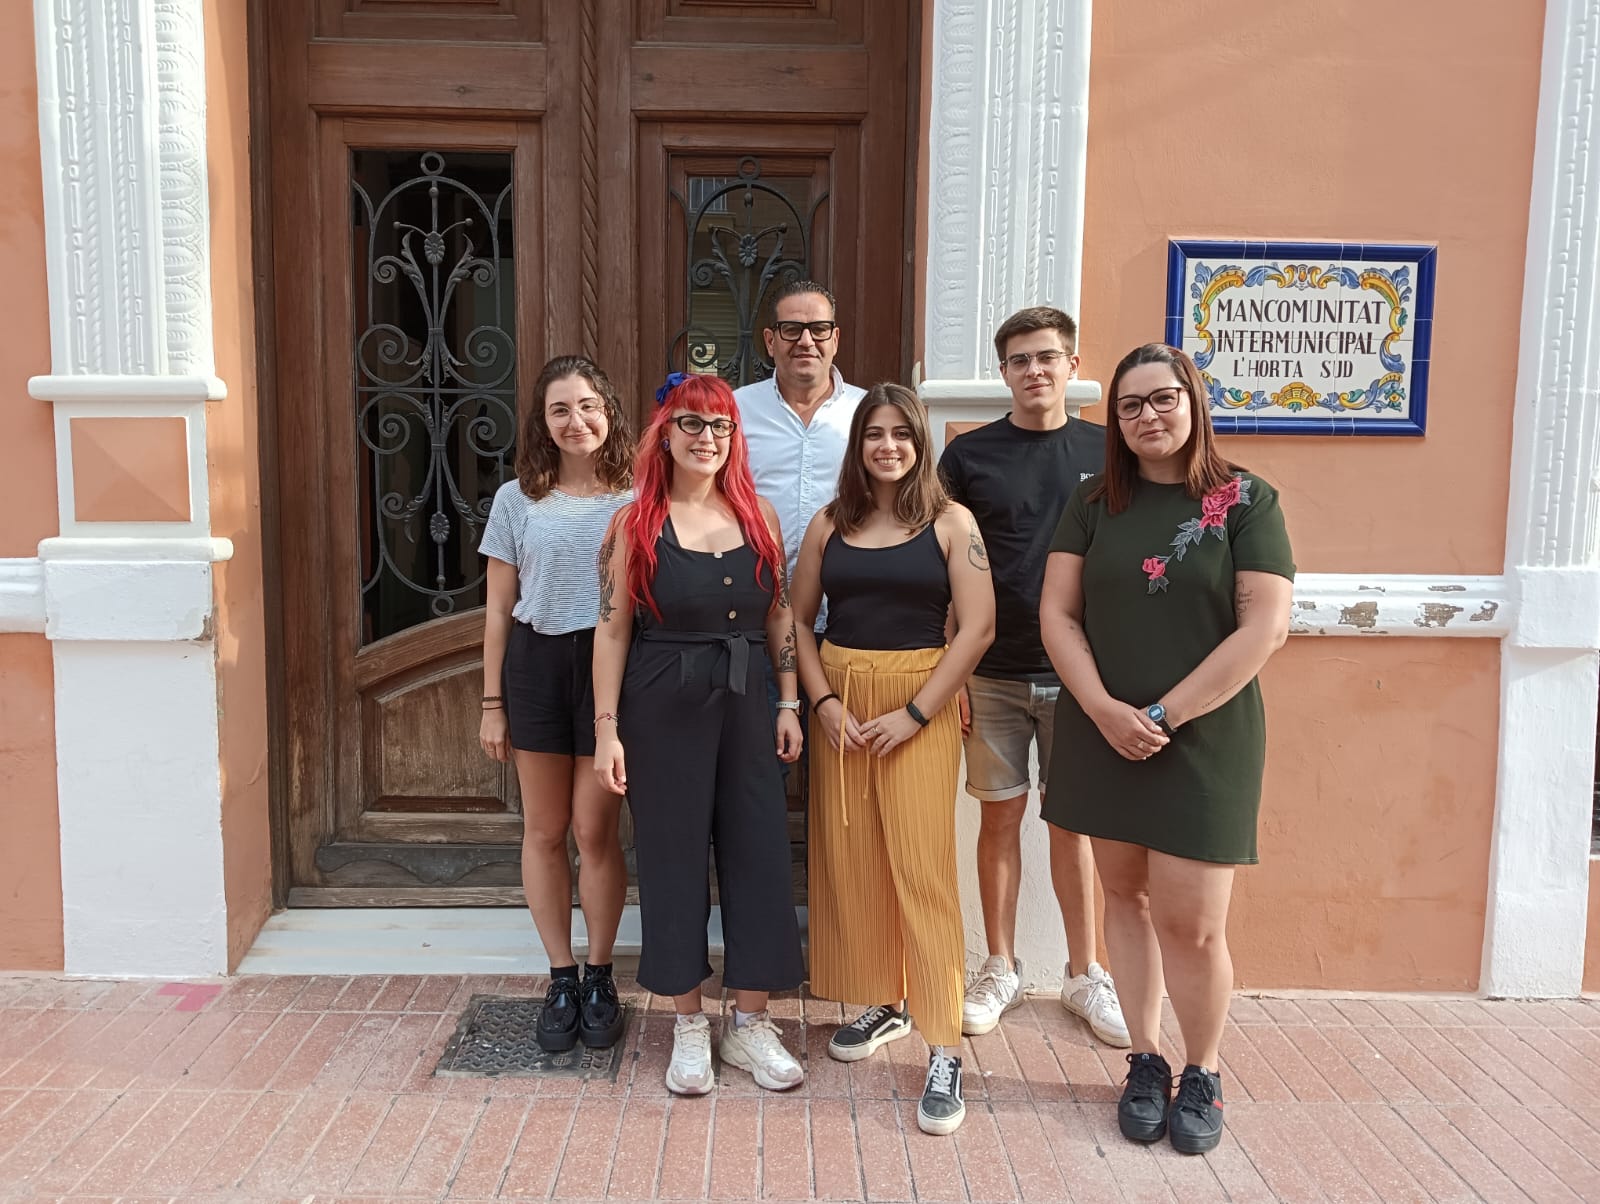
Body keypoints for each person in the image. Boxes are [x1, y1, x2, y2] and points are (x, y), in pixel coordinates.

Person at [1039, 343, 1294, 1155]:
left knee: (1194, 923)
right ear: (1114, 419)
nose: (1147, 415)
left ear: (1193, 403)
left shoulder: (1246, 500)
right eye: (1130, 404)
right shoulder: (1092, 503)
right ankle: (1145, 1061)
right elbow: (1058, 614)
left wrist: (1162, 715)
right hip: (1103, 731)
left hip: (1204, 736)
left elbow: (1265, 627)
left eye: (1162, 399)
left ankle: (1202, 1070)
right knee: (1126, 898)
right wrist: (1104, 711)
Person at [592, 372, 806, 1097]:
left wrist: (788, 702)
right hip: (660, 705)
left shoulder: (759, 515)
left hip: (748, 702)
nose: (706, 438)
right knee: (672, 856)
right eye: (691, 423)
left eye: (720, 426)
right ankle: (688, 1022)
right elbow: (612, 630)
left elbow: (779, 615)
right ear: (666, 433)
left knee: (759, 853)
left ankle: (749, 1022)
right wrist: (607, 731)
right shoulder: (634, 524)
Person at [791, 383, 996, 1136]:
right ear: (858, 446)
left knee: (921, 866)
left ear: (919, 442)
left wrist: (916, 714)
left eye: (901, 433)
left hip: (919, 702)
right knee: (856, 858)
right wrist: (822, 702)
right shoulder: (829, 524)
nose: (887, 446)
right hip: (842, 704)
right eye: (874, 434)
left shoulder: (951, 522)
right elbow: (798, 620)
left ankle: (944, 1044)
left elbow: (977, 628)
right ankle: (889, 1001)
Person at [937, 306, 1129, 1046]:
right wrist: (951, 671)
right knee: (999, 819)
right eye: (1020, 360)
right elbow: (942, 564)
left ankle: (1086, 973)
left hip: (1080, 676)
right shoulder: (968, 456)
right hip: (990, 674)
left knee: (1072, 826)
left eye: (1047, 357)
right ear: (1004, 371)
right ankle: (1001, 966)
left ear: (1072, 366)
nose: (1035, 371)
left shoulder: (1108, 449)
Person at [478, 355, 635, 1053]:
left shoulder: (639, 495)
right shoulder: (517, 500)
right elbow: (497, 607)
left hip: (613, 670)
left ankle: (600, 973)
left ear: (609, 412)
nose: (577, 421)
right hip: (538, 665)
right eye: (560, 410)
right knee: (544, 831)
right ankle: (561, 976)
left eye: (588, 406)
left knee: (595, 831)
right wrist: (492, 702)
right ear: (543, 423)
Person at [735, 279, 867, 718]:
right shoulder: (735, 412)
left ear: (836, 338)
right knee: (765, 755)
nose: (806, 341)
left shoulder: (868, 414)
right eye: (791, 329)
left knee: (842, 755)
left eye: (819, 329)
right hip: (757, 623)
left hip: (850, 624)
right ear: (770, 341)